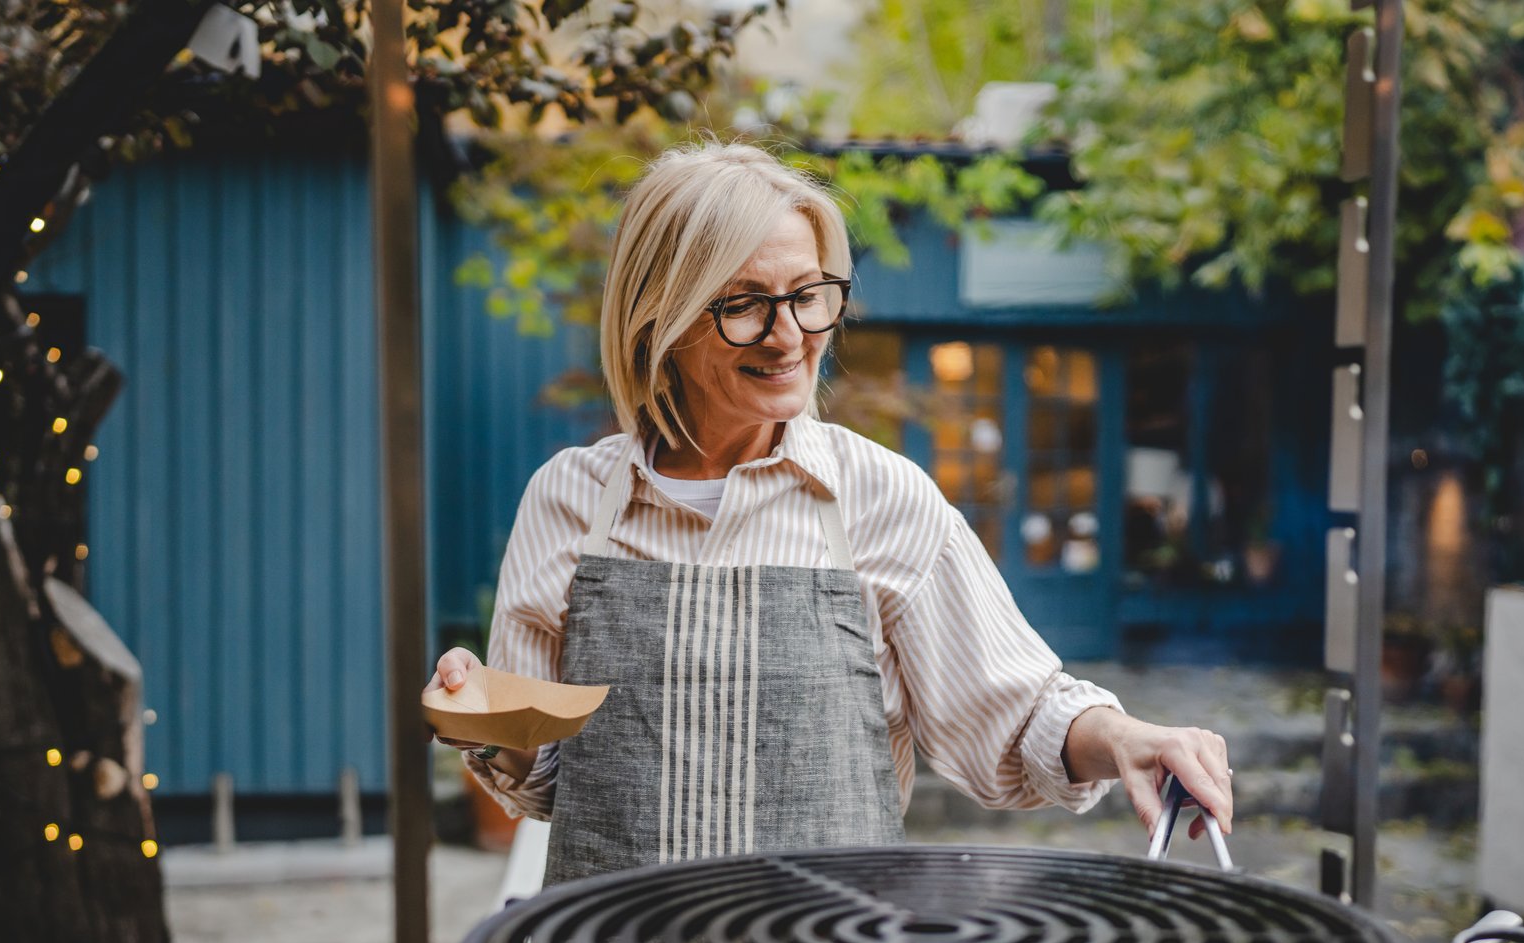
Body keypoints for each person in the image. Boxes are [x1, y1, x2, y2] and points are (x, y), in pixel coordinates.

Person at [426, 140, 1233, 887]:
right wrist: (485, 718)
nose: (789, 335)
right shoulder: (569, 500)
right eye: (743, 303)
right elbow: (550, 787)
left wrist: (1127, 739)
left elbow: (1018, 716)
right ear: (659, 319)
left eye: (809, 294)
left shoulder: (880, 496)